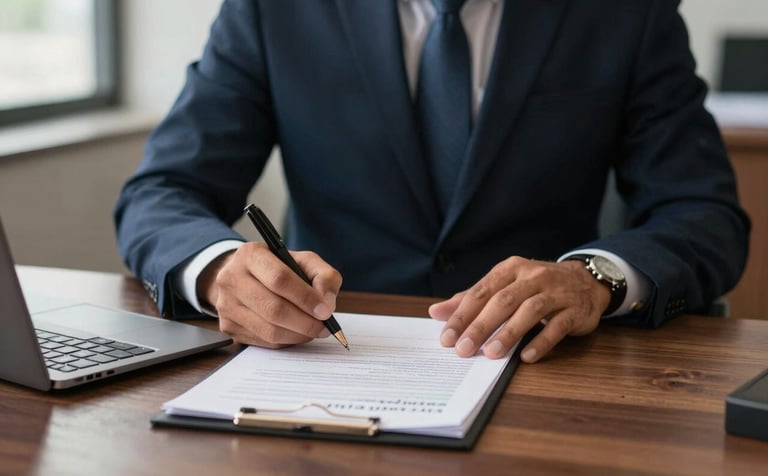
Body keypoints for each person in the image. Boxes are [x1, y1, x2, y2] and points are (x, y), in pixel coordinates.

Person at [114, 0, 749, 363]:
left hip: (541, 370)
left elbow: (703, 211)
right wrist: (219, 268)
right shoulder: (272, 10)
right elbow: (162, 190)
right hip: (329, 363)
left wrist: (596, 280)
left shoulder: (625, 14)